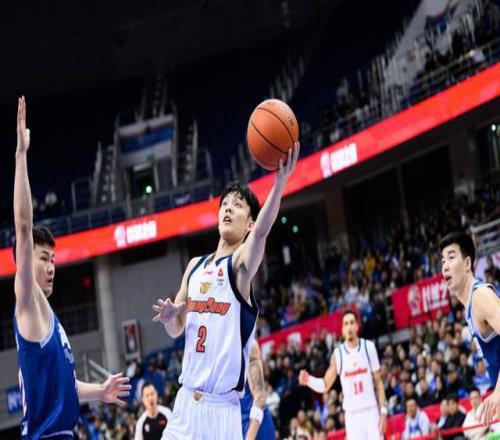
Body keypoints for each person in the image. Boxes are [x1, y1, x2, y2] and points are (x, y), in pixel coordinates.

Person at [153, 144, 300, 439]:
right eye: (225, 204)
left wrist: (279, 184)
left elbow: (262, 233)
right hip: (186, 404)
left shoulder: (240, 267)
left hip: (223, 411)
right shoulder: (194, 267)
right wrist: (170, 317)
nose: (229, 208)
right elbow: (175, 329)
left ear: (249, 223)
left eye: (238, 205)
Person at [12, 96, 130, 439]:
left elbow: (65, 385)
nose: (51, 266)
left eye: (53, 259)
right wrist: (21, 156)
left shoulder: (48, 319)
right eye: (43, 258)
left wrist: (100, 392)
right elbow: (23, 227)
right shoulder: (27, 300)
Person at [440, 231, 500, 425]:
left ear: (467, 263)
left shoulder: (480, 296)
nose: (445, 266)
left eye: (451, 257)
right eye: (443, 260)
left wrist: (498, 392)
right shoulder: (469, 306)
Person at [298, 310, 387, 439]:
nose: (349, 327)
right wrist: (309, 380)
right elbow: (325, 385)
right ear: (342, 329)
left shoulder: (369, 347)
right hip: (352, 416)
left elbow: (379, 382)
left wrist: (383, 411)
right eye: (346, 324)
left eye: (352, 322)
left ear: (357, 326)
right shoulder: (338, 354)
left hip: (371, 410)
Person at [240, 341, 276, 440]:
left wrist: (250, 437)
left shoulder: (248, 345)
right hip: (234, 423)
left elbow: (259, 397)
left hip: (256, 422)